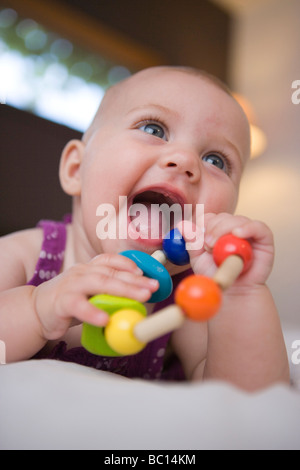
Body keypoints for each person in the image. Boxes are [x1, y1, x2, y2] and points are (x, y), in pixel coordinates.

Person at [0, 66, 289, 390]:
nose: (184, 160)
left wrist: (244, 293)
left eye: (216, 160)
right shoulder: (27, 255)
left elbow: (248, 400)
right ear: (76, 169)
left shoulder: (188, 297)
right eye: (153, 128)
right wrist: (37, 311)